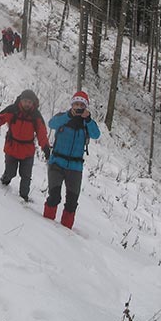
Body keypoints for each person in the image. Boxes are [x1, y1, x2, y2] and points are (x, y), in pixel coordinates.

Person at [43, 90, 101, 229]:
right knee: (54, 197)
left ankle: (66, 232)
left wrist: (88, 119)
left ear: (85, 107)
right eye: (76, 104)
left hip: (75, 167)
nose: (78, 107)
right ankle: (44, 226)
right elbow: (52, 124)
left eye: (81, 105)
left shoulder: (87, 123)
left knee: (72, 203)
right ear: (72, 104)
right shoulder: (63, 117)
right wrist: (69, 116)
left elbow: (96, 134)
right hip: (57, 162)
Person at [0, 89, 50, 202]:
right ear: (21, 100)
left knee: (26, 176)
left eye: (29, 102)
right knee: (10, 172)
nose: (27, 104)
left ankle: (23, 197)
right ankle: (4, 182)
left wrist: (45, 148)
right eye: (25, 101)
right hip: (12, 147)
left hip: (27, 151)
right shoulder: (13, 110)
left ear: (33, 103)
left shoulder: (36, 115)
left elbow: (42, 133)